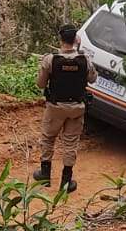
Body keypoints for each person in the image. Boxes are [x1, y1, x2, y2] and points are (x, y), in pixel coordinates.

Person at [34, 24, 96, 193]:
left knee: (48, 138)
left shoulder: (50, 59)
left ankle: (45, 175)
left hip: (55, 107)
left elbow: (40, 83)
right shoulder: (85, 60)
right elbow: (93, 79)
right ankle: (66, 182)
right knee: (70, 143)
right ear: (76, 39)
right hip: (76, 108)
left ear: (61, 39)